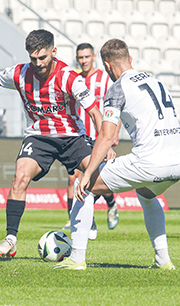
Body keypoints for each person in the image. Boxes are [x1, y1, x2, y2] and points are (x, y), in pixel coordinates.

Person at [0, 29, 114, 258]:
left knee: (102, 178)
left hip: (72, 137)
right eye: (33, 58)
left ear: (54, 52)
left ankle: (90, 214)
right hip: (38, 137)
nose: (38, 63)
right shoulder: (20, 73)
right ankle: (10, 239)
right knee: (20, 177)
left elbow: (95, 114)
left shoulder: (69, 77)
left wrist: (105, 144)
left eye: (43, 58)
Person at [52, 38, 180, 270]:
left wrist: (88, 173)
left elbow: (105, 137)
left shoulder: (117, 88)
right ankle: (163, 260)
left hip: (150, 162)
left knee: (85, 188)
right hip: (179, 162)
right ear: (130, 59)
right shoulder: (156, 80)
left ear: (107, 66)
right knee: (145, 194)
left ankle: (76, 259)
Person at [64, 43, 119, 237]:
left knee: (97, 178)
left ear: (94, 57)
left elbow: (116, 107)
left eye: (87, 57)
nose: (84, 61)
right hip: (79, 136)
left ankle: (111, 203)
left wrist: (113, 137)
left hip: (100, 136)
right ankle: (78, 220)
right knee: (73, 179)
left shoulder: (105, 79)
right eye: (80, 58)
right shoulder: (75, 79)